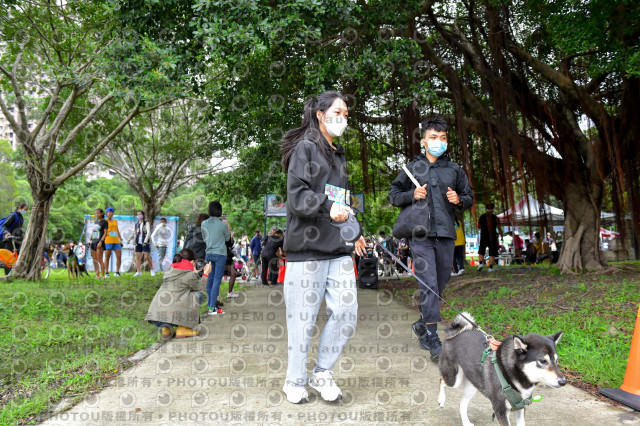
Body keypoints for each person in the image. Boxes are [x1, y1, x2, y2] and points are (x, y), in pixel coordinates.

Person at [279, 90, 366, 404]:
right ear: (320, 114)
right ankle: (294, 381)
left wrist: (355, 231)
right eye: (337, 112)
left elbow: (341, 200)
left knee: (346, 312)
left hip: (338, 248)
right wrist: (329, 207)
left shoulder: (338, 154)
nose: (343, 118)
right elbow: (297, 197)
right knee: (302, 321)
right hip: (307, 250)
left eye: (346, 114)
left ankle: (322, 372)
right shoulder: (305, 148)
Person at [388, 115, 474, 360]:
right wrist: (412, 195)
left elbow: (468, 197)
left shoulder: (455, 169)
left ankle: (422, 323)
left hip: (446, 233)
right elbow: (393, 195)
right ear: (423, 141)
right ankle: (433, 337)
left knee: (440, 282)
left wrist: (459, 200)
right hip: (420, 235)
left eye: (443, 138)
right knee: (428, 283)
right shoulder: (412, 168)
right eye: (433, 137)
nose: (439, 141)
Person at [145, 248, 212, 339]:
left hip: (156, 316)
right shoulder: (189, 275)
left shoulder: (169, 270)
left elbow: (183, 283)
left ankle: (166, 329)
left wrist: (194, 273)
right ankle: (182, 329)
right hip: (173, 315)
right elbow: (200, 287)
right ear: (192, 262)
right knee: (197, 295)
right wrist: (206, 273)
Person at [201, 201, 230, 315]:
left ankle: (210, 305)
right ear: (220, 210)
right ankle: (212, 307)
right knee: (217, 280)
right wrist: (227, 225)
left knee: (210, 279)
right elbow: (227, 239)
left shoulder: (204, 223)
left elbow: (204, 238)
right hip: (220, 254)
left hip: (209, 253)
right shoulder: (223, 224)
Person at [476, 203, 503, 272]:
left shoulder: (482, 217)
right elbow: (499, 228)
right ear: (493, 209)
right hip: (492, 237)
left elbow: (478, 226)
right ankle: (490, 268)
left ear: (486, 209)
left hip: (483, 236)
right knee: (492, 252)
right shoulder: (495, 218)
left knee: (481, 250)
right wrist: (501, 235)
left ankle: (480, 264)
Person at [129, 210, 155, 277]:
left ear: (143, 215)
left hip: (145, 242)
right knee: (137, 256)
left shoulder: (146, 223)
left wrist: (146, 240)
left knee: (146, 256)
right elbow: (134, 232)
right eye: (137, 214)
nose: (139, 215)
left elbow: (148, 232)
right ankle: (138, 271)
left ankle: (152, 270)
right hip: (138, 242)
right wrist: (129, 239)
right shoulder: (137, 224)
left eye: (140, 214)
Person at [103, 207, 123, 277]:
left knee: (119, 256)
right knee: (107, 257)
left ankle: (117, 272)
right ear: (106, 213)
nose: (111, 213)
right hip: (108, 240)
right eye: (109, 212)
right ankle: (106, 272)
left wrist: (120, 238)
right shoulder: (104, 221)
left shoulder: (115, 221)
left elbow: (117, 230)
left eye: (112, 212)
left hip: (116, 241)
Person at [89, 208, 108, 279]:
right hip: (93, 241)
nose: (96, 214)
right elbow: (94, 231)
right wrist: (90, 239)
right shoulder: (96, 222)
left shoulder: (104, 222)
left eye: (98, 213)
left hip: (99, 242)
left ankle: (103, 275)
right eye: (95, 213)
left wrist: (101, 241)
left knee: (99, 259)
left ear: (102, 213)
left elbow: (105, 233)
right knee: (94, 259)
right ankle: (97, 275)